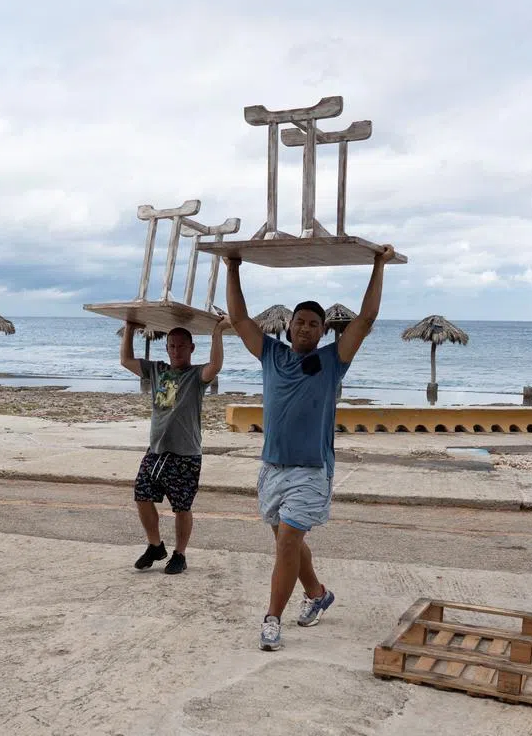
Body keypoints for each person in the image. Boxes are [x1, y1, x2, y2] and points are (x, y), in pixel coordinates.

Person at [224, 245, 395, 649]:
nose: (305, 328)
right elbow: (238, 319)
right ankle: (319, 595)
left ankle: (271, 619)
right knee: (288, 543)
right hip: (272, 467)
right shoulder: (271, 354)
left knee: (286, 543)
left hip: (311, 469)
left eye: (313, 324)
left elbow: (366, 318)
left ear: (322, 331)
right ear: (289, 327)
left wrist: (378, 265)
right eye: (299, 322)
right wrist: (233, 267)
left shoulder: (333, 360)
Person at [120, 318, 230, 574]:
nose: (176, 350)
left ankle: (180, 554)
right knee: (142, 496)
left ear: (191, 348)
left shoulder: (196, 375)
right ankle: (155, 546)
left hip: (185, 454)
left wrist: (217, 332)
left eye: (182, 346)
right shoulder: (157, 369)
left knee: (182, 507)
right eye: (172, 346)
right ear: (167, 348)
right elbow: (126, 360)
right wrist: (129, 328)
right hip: (156, 451)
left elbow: (216, 365)